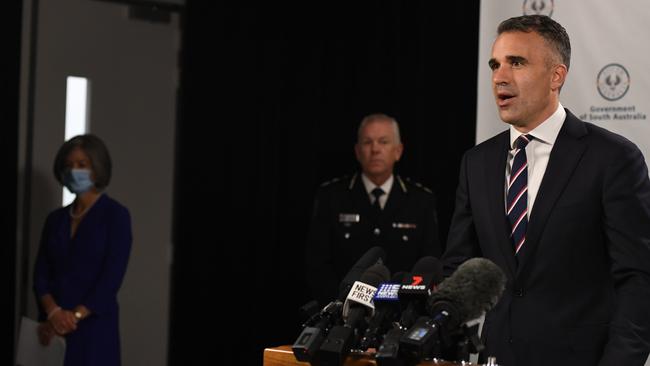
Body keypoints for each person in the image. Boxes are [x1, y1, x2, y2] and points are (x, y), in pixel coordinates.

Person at [442, 15, 650, 366]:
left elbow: (638, 278)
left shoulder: (613, 158)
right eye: (495, 64)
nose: (499, 77)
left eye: (517, 63)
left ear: (557, 76)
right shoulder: (476, 163)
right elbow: (458, 267)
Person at [305, 113, 442, 306]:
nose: (375, 149)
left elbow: (429, 262)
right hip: (343, 311)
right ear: (357, 151)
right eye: (368, 142)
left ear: (398, 151)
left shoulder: (421, 200)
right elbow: (318, 265)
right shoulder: (332, 197)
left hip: (400, 314)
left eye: (383, 142)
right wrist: (340, 308)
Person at [34, 134, 132, 366]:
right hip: (51, 327)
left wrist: (74, 316)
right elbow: (40, 275)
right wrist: (54, 313)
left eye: (81, 165)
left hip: (92, 329)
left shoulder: (115, 216)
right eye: (68, 166)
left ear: (97, 168)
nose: (73, 170)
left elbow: (111, 278)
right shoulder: (55, 220)